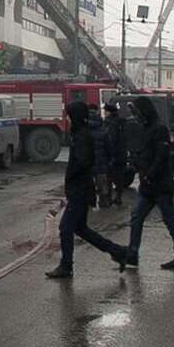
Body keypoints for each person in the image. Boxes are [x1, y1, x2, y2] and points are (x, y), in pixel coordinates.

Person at [44, 100, 130, 279]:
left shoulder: (82, 135)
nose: (67, 119)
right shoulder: (80, 134)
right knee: (81, 229)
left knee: (66, 228)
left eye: (69, 116)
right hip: (81, 189)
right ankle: (118, 251)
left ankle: (66, 266)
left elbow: (83, 161)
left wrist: (72, 177)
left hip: (80, 190)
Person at [124, 96, 174, 271]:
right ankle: (132, 254)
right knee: (136, 217)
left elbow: (161, 156)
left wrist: (149, 175)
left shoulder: (159, 129)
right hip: (149, 185)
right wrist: (136, 164)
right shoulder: (146, 128)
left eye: (137, 113)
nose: (136, 117)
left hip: (160, 185)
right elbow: (147, 154)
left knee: (170, 221)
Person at [94, 102, 128, 209]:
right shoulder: (122, 122)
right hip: (122, 155)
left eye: (106, 111)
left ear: (110, 112)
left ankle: (108, 200)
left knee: (108, 178)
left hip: (113, 156)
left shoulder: (110, 124)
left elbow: (110, 141)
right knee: (119, 178)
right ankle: (118, 197)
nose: (105, 113)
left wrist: (109, 155)